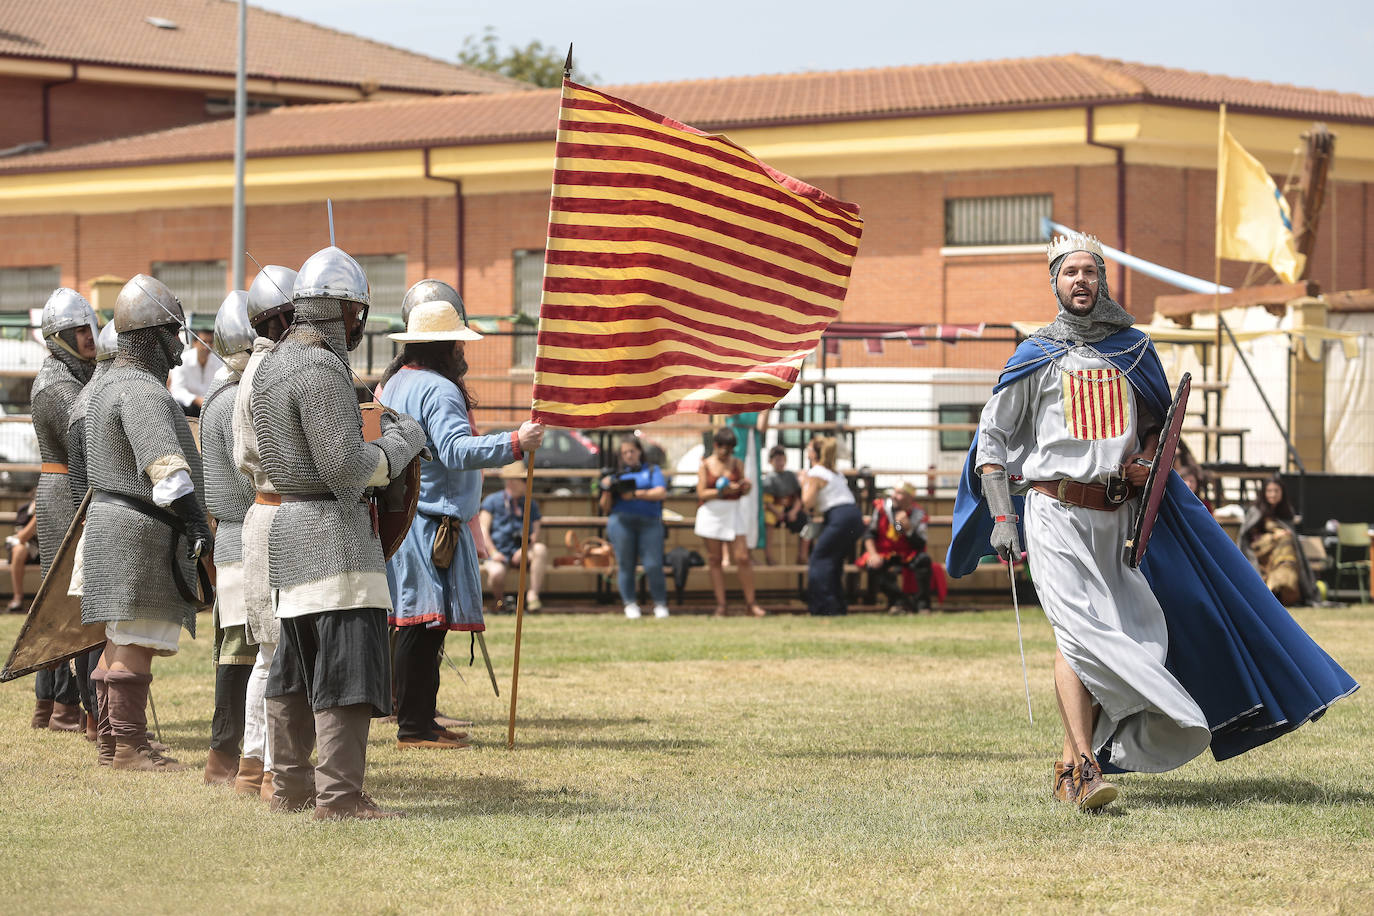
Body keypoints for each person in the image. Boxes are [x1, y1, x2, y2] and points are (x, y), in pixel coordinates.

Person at [948, 232, 1357, 812]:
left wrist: (1142, 459)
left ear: (1103, 280)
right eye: (1070, 273)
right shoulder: (1035, 354)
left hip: (1118, 517)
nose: (1081, 281)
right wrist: (999, 513)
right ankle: (1086, 768)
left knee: (1132, 635)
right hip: (1052, 511)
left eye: (1090, 271)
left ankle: (1069, 763)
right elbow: (992, 438)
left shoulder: (1134, 350)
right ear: (1055, 283)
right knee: (1078, 630)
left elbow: (1155, 431)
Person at [251, 246, 427, 818]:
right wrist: (404, 442)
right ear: (336, 309)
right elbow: (348, 470)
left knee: (294, 671)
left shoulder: (272, 363)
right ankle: (340, 797)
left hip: (290, 534)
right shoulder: (320, 367)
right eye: (355, 312)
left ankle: (291, 789)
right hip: (335, 537)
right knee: (345, 671)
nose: (359, 324)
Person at [379, 280, 543, 751]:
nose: (462, 352)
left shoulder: (397, 382)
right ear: (446, 345)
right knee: (421, 624)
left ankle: (419, 718)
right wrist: (515, 443)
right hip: (430, 521)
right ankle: (414, 726)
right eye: (458, 343)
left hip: (404, 519)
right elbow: (453, 450)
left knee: (416, 622)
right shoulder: (439, 388)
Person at [84, 274, 213, 771]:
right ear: (154, 334)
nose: (180, 344)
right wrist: (197, 523)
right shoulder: (140, 391)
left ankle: (113, 743)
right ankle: (130, 748)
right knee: (135, 640)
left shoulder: (103, 386)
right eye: (174, 332)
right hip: (138, 529)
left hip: (112, 521)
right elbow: (168, 473)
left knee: (120, 637)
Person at [232, 263, 296, 801]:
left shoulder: (255, 369)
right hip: (282, 516)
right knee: (282, 652)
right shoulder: (276, 371)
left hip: (263, 514)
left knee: (268, 653)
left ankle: (254, 765)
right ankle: (274, 769)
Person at [30, 288, 99, 733]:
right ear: (60, 337)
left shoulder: (73, 376)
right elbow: (87, 433)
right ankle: (59, 705)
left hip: (67, 486)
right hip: (63, 491)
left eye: (90, 328)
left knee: (64, 597)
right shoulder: (57, 385)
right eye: (80, 331)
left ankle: (57, 707)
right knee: (65, 600)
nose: (89, 337)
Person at [199, 291, 258, 785]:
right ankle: (226, 757)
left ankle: (231, 756)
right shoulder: (236, 401)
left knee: (237, 653)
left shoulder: (219, 398)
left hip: (234, 539)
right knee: (242, 656)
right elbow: (249, 480)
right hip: (245, 538)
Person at [64, 319, 118, 743]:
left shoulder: (87, 398)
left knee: (97, 629)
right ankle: (99, 721)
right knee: (101, 632)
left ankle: (95, 720)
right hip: (101, 521)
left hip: (94, 520)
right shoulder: (100, 401)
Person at [694, 427, 766, 618]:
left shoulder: (737, 463)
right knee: (715, 559)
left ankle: (751, 604)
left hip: (733, 512)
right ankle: (721, 605)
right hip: (712, 513)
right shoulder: (705, 465)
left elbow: (744, 490)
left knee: (742, 557)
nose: (727, 454)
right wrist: (721, 492)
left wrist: (746, 487)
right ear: (716, 445)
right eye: (724, 449)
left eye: (731, 449)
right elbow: (701, 493)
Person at [600, 437, 669, 619]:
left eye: (632, 451)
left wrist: (635, 494)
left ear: (639, 451)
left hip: (650, 521)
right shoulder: (616, 475)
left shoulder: (652, 470)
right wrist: (607, 488)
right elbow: (605, 507)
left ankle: (660, 604)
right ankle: (630, 603)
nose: (629, 455)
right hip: (621, 522)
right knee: (626, 564)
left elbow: (660, 492)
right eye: (624, 453)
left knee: (653, 564)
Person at [801, 436, 862, 616]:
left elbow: (808, 502)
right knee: (833, 562)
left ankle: (823, 607)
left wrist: (803, 481)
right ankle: (837, 606)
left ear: (814, 453)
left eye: (809, 448)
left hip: (839, 517)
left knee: (819, 561)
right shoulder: (835, 473)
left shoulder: (815, 473)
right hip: (852, 515)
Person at [480, 461, 549, 614]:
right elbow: (483, 529)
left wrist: (525, 548)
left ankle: (532, 596)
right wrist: (493, 552)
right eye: (523, 480)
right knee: (496, 573)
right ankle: (500, 602)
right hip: (498, 552)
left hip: (522, 551)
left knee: (540, 549)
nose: (527, 483)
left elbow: (536, 531)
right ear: (511, 481)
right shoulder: (492, 501)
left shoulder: (530, 503)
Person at [1240, 478, 1319, 607]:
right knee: (1285, 541)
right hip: (1259, 552)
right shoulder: (1256, 511)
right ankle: (1275, 590)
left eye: (1276, 491)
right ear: (1264, 493)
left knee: (1287, 548)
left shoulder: (1286, 513)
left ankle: (1282, 591)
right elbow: (1249, 539)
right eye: (1269, 491)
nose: (1273, 494)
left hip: (1281, 554)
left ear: (1282, 493)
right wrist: (1275, 536)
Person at [859, 482, 934, 613]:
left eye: (899, 493)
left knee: (924, 560)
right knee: (873, 565)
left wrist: (908, 528)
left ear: (909, 498)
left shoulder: (917, 513)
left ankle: (923, 604)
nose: (894, 496)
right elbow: (870, 534)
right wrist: (873, 554)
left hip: (907, 553)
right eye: (894, 492)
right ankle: (900, 601)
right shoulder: (882, 508)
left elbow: (920, 543)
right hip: (885, 552)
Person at [167, 326, 224, 417]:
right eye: (204, 342)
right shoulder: (183, 360)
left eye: (210, 342)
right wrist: (196, 400)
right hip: (188, 408)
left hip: (212, 407)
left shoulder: (218, 362)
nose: (207, 346)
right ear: (195, 343)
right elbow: (177, 390)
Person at [762, 445, 805, 564]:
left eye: (782, 459)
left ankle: (803, 555)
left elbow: (798, 497)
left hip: (790, 508)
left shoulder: (791, 476)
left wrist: (794, 511)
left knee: (805, 521)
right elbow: (767, 501)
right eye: (777, 460)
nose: (780, 463)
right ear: (770, 461)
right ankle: (769, 555)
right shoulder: (769, 478)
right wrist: (777, 513)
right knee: (768, 522)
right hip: (774, 509)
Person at [7, 497, 37, 614]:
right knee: (19, 550)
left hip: (49, 547)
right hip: (27, 549)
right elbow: (22, 538)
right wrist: (36, 516)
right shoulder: (25, 509)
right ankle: (17, 598)